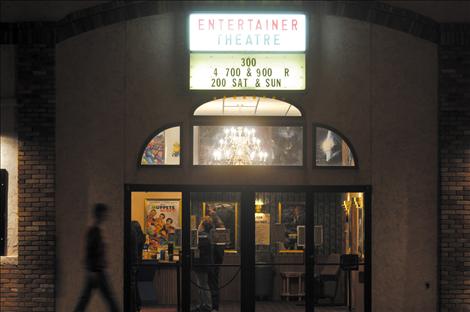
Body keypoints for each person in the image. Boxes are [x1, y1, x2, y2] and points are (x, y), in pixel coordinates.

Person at [73, 203, 119, 312]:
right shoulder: (94, 231)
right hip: (97, 271)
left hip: (98, 270)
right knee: (110, 298)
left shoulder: (98, 229)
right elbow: (90, 251)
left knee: (86, 298)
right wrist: (92, 271)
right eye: (104, 213)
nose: (106, 216)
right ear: (99, 214)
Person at [192, 216, 213, 312]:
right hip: (203, 264)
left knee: (203, 285)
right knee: (202, 284)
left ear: (203, 226)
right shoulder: (206, 235)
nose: (198, 225)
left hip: (201, 264)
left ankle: (207, 306)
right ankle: (203, 305)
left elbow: (198, 249)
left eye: (200, 223)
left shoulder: (202, 236)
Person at [207, 208, 225, 312]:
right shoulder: (221, 229)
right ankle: (214, 306)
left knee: (212, 284)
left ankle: (214, 306)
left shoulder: (215, 231)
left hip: (213, 260)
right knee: (213, 283)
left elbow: (217, 249)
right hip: (217, 260)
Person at [130, 221, 146, 312]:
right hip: (138, 262)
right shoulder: (141, 237)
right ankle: (137, 305)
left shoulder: (133, 235)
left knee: (133, 285)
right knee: (135, 285)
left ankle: (135, 306)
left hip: (134, 263)